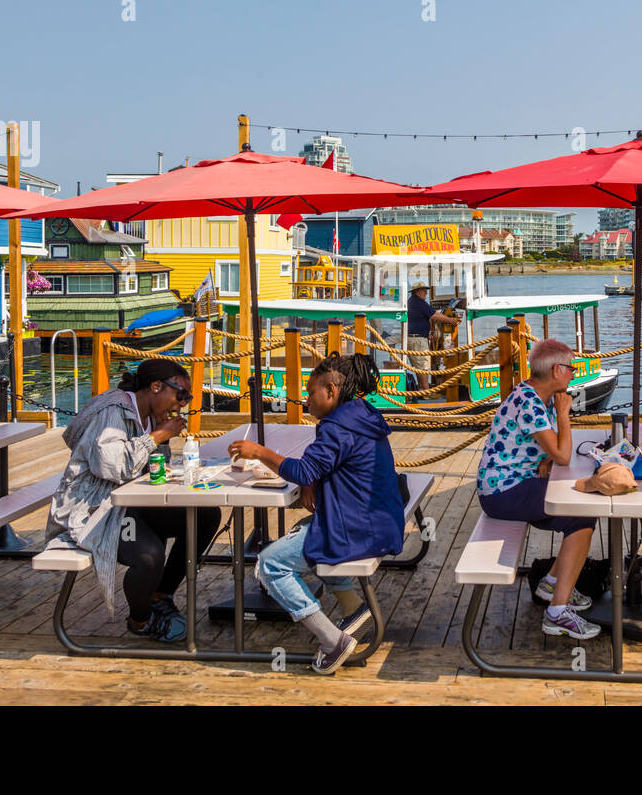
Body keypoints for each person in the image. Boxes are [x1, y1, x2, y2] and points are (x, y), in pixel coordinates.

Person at [231, 352, 404, 675]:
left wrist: (259, 452)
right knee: (306, 531)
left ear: (330, 391)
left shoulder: (337, 428)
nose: (306, 400)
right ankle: (354, 611)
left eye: (311, 393)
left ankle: (332, 640)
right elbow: (326, 467)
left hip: (359, 528)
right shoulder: (360, 415)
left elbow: (302, 468)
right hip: (381, 521)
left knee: (271, 564)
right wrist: (315, 479)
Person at [43, 358, 219, 643]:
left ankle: (161, 595)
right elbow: (109, 465)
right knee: (149, 556)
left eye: (188, 397)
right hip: (94, 510)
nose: (183, 403)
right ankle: (141, 620)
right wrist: (157, 436)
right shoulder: (114, 411)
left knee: (204, 515)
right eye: (181, 394)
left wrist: (160, 439)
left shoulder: (151, 415)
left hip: (129, 502)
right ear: (156, 386)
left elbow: (152, 467)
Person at [476, 338, 600, 640]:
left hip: (513, 484)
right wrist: (563, 415)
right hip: (503, 493)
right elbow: (563, 456)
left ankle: (551, 584)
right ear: (557, 370)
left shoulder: (532, 394)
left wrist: (545, 458)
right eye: (571, 368)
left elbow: (549, 452)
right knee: (582, 516)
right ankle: (556, 612)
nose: (573, 374)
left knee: (582, 515)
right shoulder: (531, 403)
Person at [406, 283, 460, 392]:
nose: (426, 293)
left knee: (418, 366)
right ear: (418, 292)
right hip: (418, 340)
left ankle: (422, 388)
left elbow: (418, 320)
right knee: (424, 366)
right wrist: (451, 320)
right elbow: (434, 315)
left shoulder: (411, 301)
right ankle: (426, 392)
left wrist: (428, 334)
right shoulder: (419, 302)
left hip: (413, 337)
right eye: (424, 291)